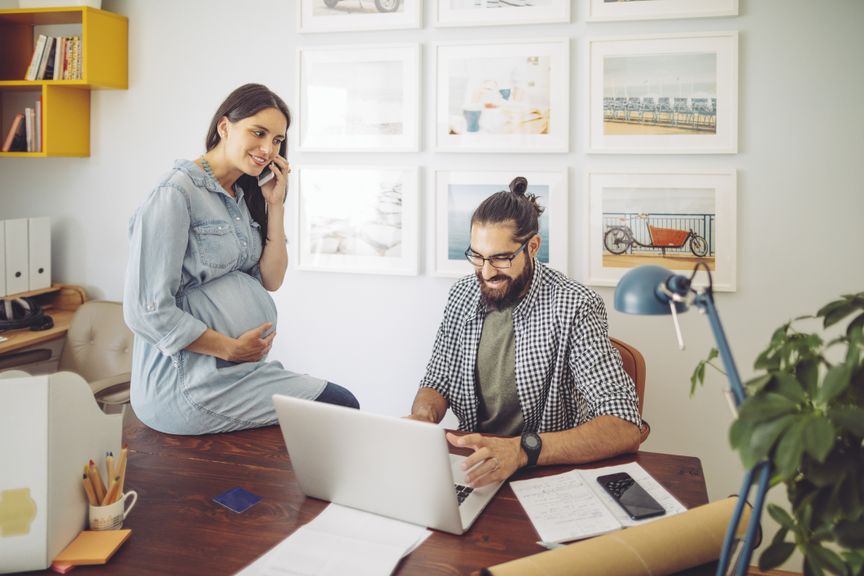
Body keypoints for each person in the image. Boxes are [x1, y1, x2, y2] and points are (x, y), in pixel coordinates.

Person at [124, 83, 358, 435]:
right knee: (339, 406)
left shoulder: (242, 195)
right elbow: (146, 310)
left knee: (340, 406)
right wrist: (231, 349)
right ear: (224, 127)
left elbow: (271, 280)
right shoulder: (175, 194)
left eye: (277, 140)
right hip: (188, 381)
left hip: (236, 372)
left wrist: (275, 205)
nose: (268, 149)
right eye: (258, 133)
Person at [408, 177, 642, 487]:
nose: (487, 272)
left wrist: (519, 452)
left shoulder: (574, 305)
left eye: (501, 258)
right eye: (477, 256)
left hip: (545, 471)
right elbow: (437, 380)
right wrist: (422, 419)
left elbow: (624, 425)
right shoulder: (462, 295)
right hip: (476, 468)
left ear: (532, 246)